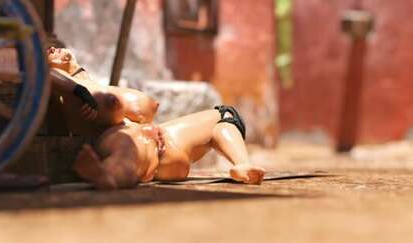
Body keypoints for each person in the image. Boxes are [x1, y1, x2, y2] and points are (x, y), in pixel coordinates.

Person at [46, 47, 265, 190]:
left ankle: (243, 166)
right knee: (126, 155)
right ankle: (107, 176)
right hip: (127, 139)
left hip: (163, 139)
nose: (52, 48)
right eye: (47, 49)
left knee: (225, 115)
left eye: (54, 46)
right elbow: (44, 72)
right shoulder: (64, 87)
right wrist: (75, 87)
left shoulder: (87, 82)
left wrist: (75, 69)